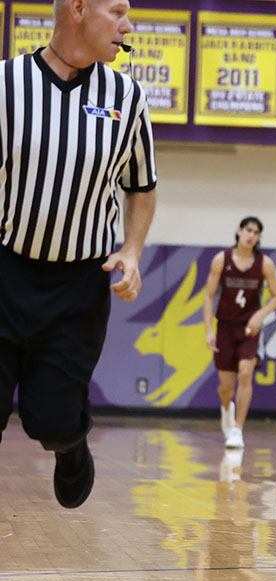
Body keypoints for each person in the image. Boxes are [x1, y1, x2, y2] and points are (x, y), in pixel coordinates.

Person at [0, 0, 156, 508]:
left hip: (78, 286)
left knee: (51, 420)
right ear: (78, 9)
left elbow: (141, 186)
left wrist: (131, 251)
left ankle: (70, 446)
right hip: (5, 271)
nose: (128, 26)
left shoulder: (127, 97)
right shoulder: (6, 85)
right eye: (118, 12)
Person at [202, 217, 276, 449]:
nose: (251, 235)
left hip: (249, 328)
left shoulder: (265, 263)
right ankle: (226, 408)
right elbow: (208, 296)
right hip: (225, 326)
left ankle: (237, 429)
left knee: (245, 373)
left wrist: (259, 315)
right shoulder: (221, 259)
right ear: (238, 231)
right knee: (226, 387)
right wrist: (209, 330)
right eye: (248, 230)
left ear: (259, 238)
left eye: (256, 232)